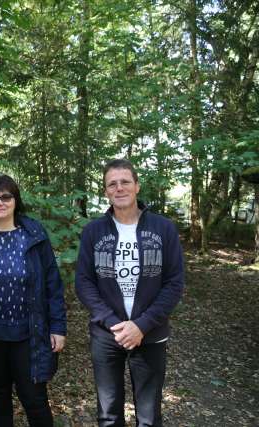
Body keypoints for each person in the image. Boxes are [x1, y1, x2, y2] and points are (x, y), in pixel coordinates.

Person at [75, 159, 184, 427]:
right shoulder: (93, 231)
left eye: (125, 182)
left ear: (137, 186)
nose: (119, 188)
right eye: (112, 184)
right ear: (106, 192)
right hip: (106, 335)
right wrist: (113, 323)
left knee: (148, 417)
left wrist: (141, 325)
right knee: (108, 415)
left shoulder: (163, 228)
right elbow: (84, 283)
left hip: (150, 334)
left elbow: (174, 283)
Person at [0, 175, 67, 427]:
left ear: (16, 200)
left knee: (34, 398)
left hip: (29, 334)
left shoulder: (33, 234)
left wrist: (58, 326)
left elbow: (52, 284)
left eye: (6, 197)